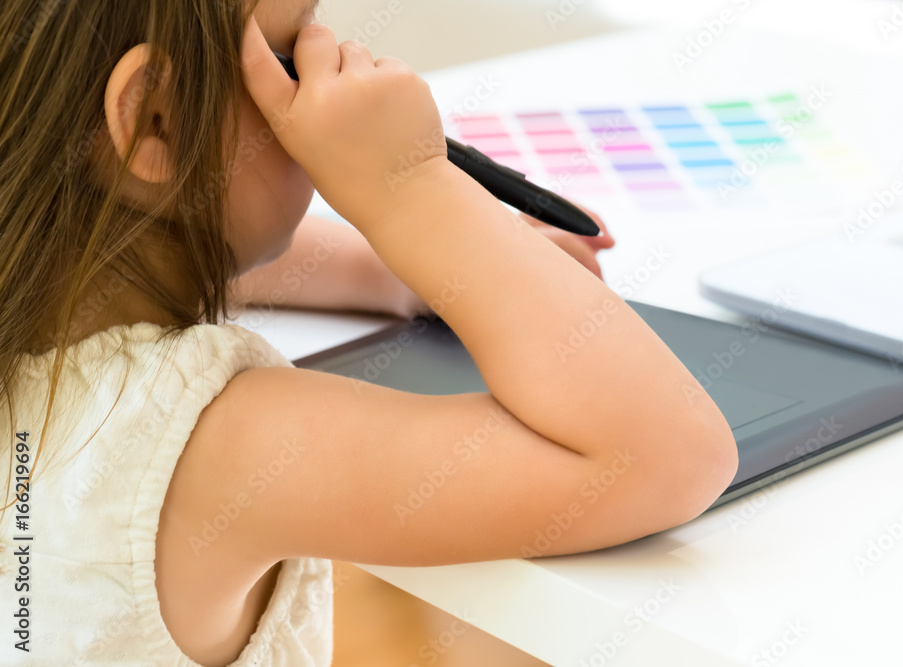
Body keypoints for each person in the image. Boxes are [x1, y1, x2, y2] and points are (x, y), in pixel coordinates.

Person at [0, 0, 738, 664]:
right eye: (295, 54)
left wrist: (403, 273)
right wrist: (411, 193)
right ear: (156, 117)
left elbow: (149, 249)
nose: (334, 68)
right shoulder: (213, 449)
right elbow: (665, 455)